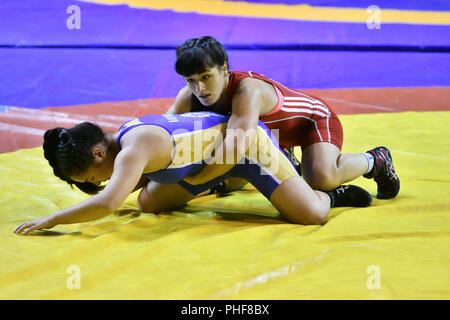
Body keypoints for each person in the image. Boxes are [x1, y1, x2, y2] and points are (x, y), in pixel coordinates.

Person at [14, 111, 372, 235]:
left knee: (312, 215)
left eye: (91, 178)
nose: (98, 183)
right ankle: (226, 181)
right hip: (204, 164)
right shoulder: (125, 139)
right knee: (149, 203)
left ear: (97, 153)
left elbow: (108, 203)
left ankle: (333, 190)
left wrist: (52, 220)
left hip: (246, 148)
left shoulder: (133, 150)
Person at [166, 36, 400, 200]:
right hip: (275, 136)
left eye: (206, 77)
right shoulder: (190, 95)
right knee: (228, 174)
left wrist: (196, 180)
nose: (200, 88)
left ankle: (375, 160)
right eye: (190, 80)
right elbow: (163, 134)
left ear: (224, 68)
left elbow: (234, 149)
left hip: (312, 121)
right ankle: (289, 159)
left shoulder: (247, 91)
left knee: (321, 179)